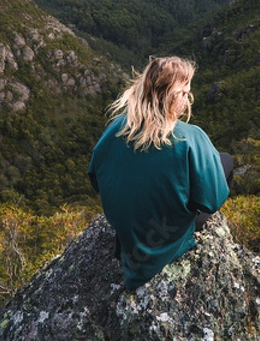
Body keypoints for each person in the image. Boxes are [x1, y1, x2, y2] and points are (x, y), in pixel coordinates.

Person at [87, 56, 233, 290]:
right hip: (164, 242)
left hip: (130, 241)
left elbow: (95, 178)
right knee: (225, 161)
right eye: (184, 93)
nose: (187, 99)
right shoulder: (190, 137)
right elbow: (212, 202)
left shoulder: (117, 126)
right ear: (170, 96)